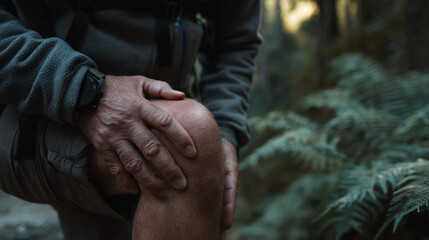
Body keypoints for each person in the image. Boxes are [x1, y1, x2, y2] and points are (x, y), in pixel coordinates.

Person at [0, 0, 261, 239]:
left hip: (138, 111)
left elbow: (234, 40)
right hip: (29, 109)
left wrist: (226, 129)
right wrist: (83, 92)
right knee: (184, 141)